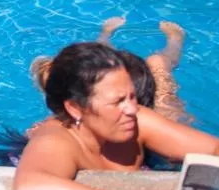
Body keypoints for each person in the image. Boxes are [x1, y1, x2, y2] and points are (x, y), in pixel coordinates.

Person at [12, 42, 219, 190]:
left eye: (132, 96)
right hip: (30, 149)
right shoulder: (57, 140)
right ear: (75, 109)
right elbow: (31, 188)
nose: (132, 109)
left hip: (135, 147)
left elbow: (218, 147)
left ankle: (161, 60)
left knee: (167, 103)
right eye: (118, 101)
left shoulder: (139, 120)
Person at [31, 17, 187, 123]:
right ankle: (105, 36)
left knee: (157, 66)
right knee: (157, 63)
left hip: (148, 104)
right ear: (72, 106)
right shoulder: (59, 124)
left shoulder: (159, 115)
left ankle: (175, 40)